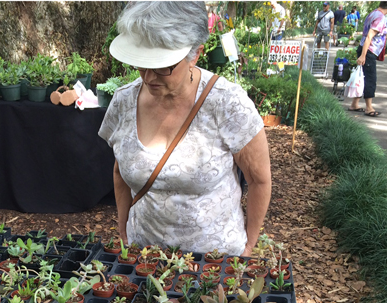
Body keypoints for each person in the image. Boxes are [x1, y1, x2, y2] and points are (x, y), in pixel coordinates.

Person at [98, 1, 271, 257]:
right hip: (144, 258)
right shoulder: (124, 101)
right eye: (142, 64)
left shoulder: (227, 104)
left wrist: (248, 246)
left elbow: (259, 179)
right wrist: (124, 231)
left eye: (162, 66)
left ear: (195, 54)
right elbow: (120, 171)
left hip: (215, 262)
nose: (148, 77)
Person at [349, 1, 387, 117]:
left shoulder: (373, 13)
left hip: (364, 48)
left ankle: (354, 104)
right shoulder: (380, 17)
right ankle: (369, 108)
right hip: (368, 51)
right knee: (370, 79)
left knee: (361, 77)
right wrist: (363, 55)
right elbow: (369, 36)